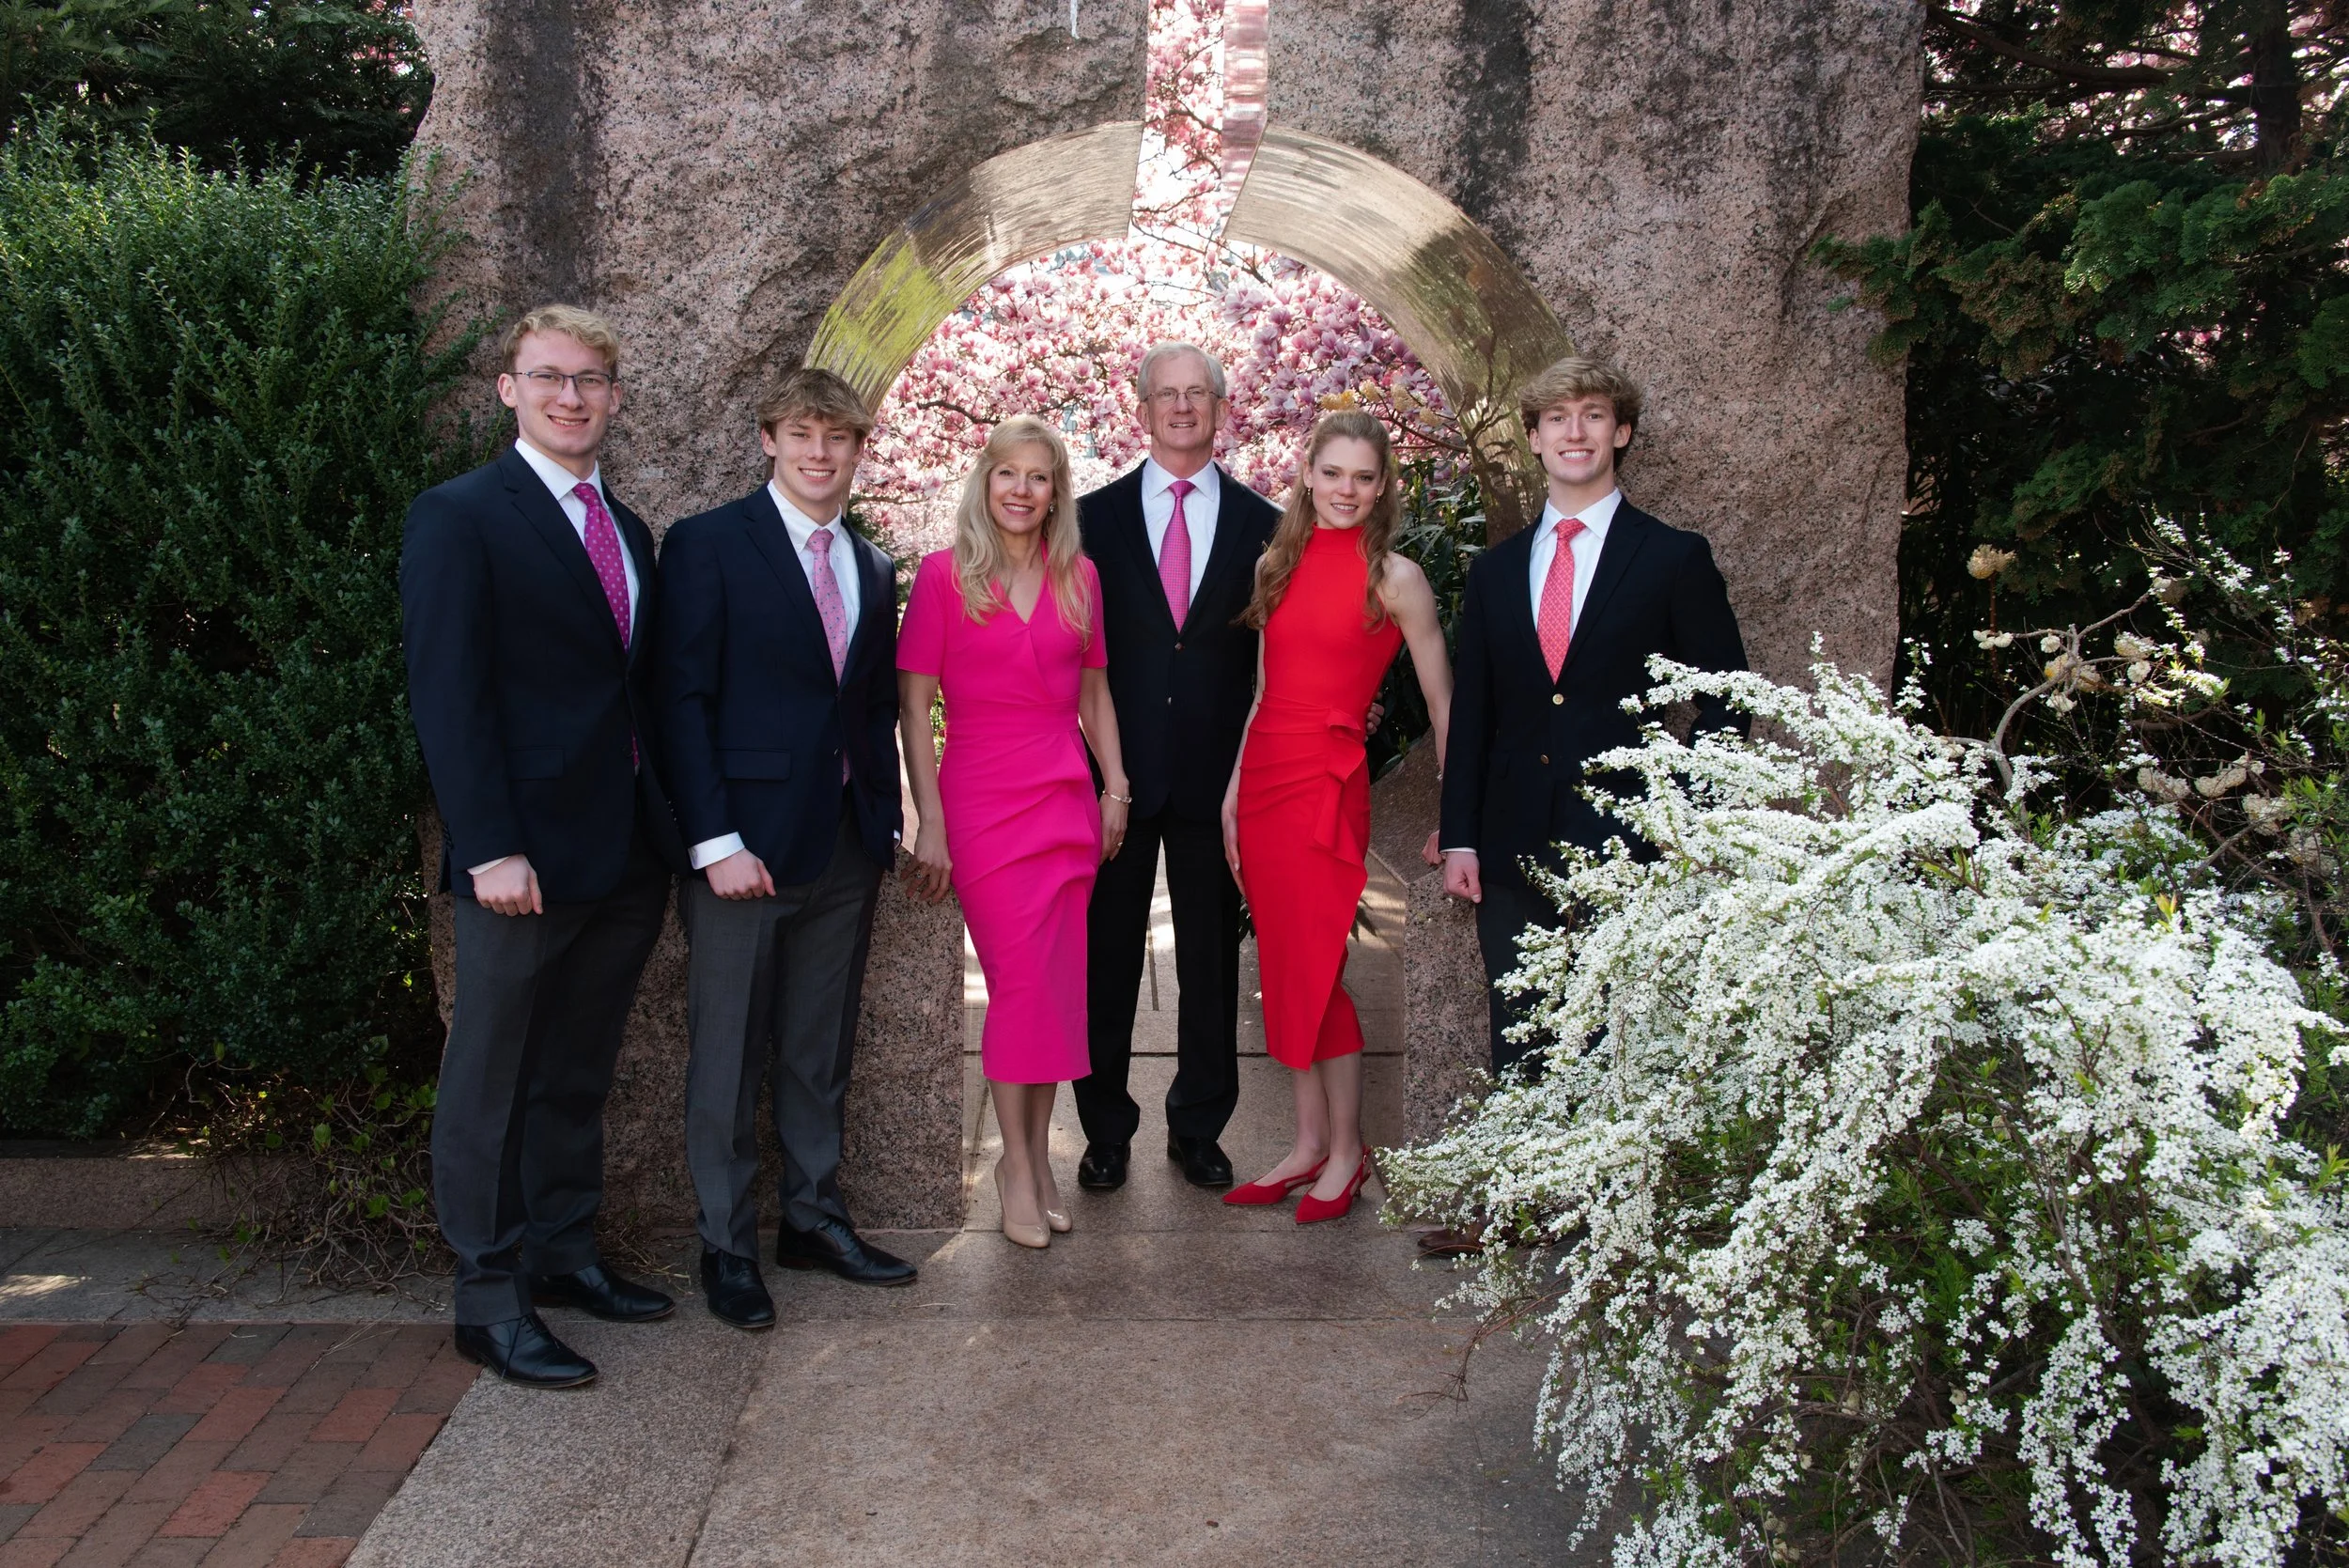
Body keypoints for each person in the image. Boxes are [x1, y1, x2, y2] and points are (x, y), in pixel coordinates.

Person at [400, 303, 689, 1388]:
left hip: (623, 856)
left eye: (593, 379)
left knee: (576, 1072)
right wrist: (488, 846)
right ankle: (488, 1295)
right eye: (551, 376)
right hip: (518, 861)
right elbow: (450, 695)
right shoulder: (459, 516)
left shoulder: (631, 531)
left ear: (614, 398)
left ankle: (566, 1256)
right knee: (492, 1079)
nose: (573, 396)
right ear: (508, 389)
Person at [1432, 357, 1746, 1250]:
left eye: (1594, 415)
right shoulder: (1494, 572)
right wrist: (1460, 837)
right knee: (1520, 1025)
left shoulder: (1674, 557)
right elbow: (1476, 712)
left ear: (1622, 433)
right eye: (1557, 418)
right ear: (1532, 437)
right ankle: (1520, 1208)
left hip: (1630, 841)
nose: (1575, 432)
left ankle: (1620, 1223)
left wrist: (1679, 812)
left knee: (1624, 1027)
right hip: (1511, 833)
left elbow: (1727, 696)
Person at [654, 366, 912, 1327]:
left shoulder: (872, 563)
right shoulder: (709, 545)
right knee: (726, 1055)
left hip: (844, 846)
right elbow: (678, 700)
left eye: (837, 438)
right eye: (802, 434)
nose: (818, 453)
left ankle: (811, 1215)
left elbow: (870, 704)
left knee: (817, 1047)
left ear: (855, 450)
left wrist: (886, 824)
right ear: (769, 439)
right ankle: (726, 1245)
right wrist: (712, 839)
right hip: (741, 849)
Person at [899, 415, 1130, 1250]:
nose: (1022, 490)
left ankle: (1030, 1162)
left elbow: (1095, 693)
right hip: (984, 802)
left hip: (1065, 799)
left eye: (1039, 476)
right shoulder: (940, 577)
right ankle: (1017, 1167)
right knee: (1022, 988)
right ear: (984, 481)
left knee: (1054, 992)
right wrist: (928, 819)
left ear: (1056, 490)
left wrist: (1118, 786)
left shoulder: (1081, 577)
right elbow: (914, 703)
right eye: (1008, 474)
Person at [1221, 411, 1452, 1222]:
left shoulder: (1396, 577)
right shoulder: (1274, 564)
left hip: (1327, 781)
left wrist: (1454, 813)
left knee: (1319, 967)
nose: (1346, 490)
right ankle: (1307, 1142)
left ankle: (1349, 1154)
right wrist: (1231, 794)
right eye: (1333, 474)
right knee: (1285, 961)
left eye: (1363, 476)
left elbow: (1440, 700)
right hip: (1267, 779)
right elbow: (1261, 693)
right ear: (1308, 474)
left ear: (1384, 484)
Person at [1074, 342, 1282, 1193]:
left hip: (1218, 778)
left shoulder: (1268, 524)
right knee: (1107, 958)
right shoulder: (1088, 517)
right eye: (1169, 394)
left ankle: (1198, 1126)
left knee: (1208, 963)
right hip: (1115, 774)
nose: (1184, 406)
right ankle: (1105, 1129)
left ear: (1222, 408)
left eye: (1199, 394)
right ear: (1143, 407)